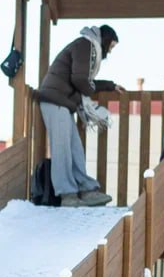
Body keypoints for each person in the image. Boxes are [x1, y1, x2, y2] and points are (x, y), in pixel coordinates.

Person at [35, 24, 123, 208]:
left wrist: (110, 85)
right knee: (62, 149)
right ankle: (67, 194)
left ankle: (86, 189)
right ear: (105, 40)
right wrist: (91, 88)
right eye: (112, 46)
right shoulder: (85, 45)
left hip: (63, 102)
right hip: (54, 100)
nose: (111, 51)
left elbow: (83, 79)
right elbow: (80, 79)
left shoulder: (89, 47)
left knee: (75, 149)